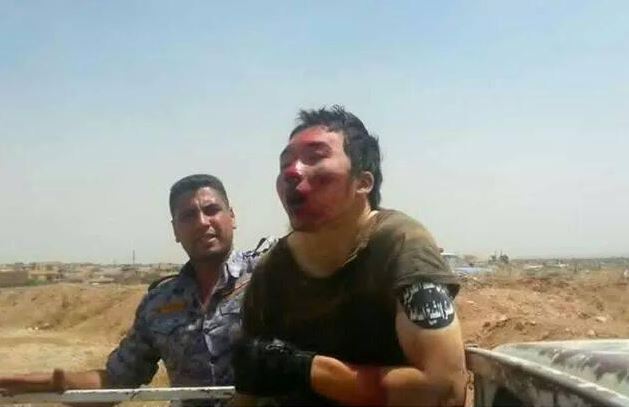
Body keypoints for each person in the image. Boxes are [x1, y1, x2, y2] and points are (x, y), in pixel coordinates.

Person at [233, 106, 467, 406]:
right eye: (285, 163)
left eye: (315, 157)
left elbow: (445, 389)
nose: (292, 172)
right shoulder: (273, 270)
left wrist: (307, 369)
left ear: (363, 182)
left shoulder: (401, 245)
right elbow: (250, 389)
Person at [0, 174, 272, 406]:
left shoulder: (272, 276)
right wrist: (37, 382)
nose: (202, 222)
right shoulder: (159, 303)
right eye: (188, 216)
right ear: (175, 231)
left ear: (232, 216)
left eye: (212, 210)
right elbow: (115, 380)